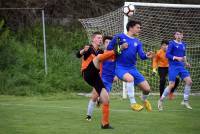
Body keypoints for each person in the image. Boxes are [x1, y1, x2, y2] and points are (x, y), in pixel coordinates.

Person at [107, 20, 154, 112]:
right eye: (138, 27)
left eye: (140, 28)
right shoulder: (119, 37)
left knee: (147, 89)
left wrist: (147, 55)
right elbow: (109, 49)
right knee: (130, 79)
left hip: (132, 68)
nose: (139, 29)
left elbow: (142, 56)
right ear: (131, 27)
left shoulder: (137, 42)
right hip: (119, 67)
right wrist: (120, 47)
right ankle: (133, 104)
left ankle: (144, 100)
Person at [76, 32, 117, 129]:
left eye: (101, 38)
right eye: (98, 38)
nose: (100, 39)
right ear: (93, 39)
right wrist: (82, 51)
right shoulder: (89, 48)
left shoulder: (101, 51)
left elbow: (110, 59)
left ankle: (105, 124)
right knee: (99, 58)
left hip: (95, 76)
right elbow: (77, 55)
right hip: (87, 73)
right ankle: (88, 116)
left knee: (106, 97)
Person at [158, 31, 193, 111]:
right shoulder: (171, 43)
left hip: (181, 67)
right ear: (174, 35)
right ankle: (160, 101)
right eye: (177, 34)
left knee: (189, 82)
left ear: (182, 36)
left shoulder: (184, 44)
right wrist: (176, 58)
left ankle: (185, 101)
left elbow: (184, 56)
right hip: (173, 67)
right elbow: (167, 55)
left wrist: (186, 62)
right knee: (171, 85)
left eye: (180, 34)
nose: (179, 36)